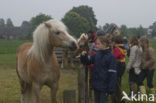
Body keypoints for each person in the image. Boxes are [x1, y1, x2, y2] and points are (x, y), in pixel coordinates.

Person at [80, 35, 117, 103]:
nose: (96, 45)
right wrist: (83, 56)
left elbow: (112, 74)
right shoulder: (97, 54)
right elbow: (88, 61)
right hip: (96, 85)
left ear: (104, 44)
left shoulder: (111, 57)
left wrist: (110, 89)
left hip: (104, 87)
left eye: (98, 44)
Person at [112, 35, 127, 103]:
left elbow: (115, 56)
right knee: (118, 81)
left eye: (113, 42)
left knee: (116, 84)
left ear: (115, 42)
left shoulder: (116, 48)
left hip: (118, 65)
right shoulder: (123, 47)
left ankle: (120, 99)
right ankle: (118, 98)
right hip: (122, 65)